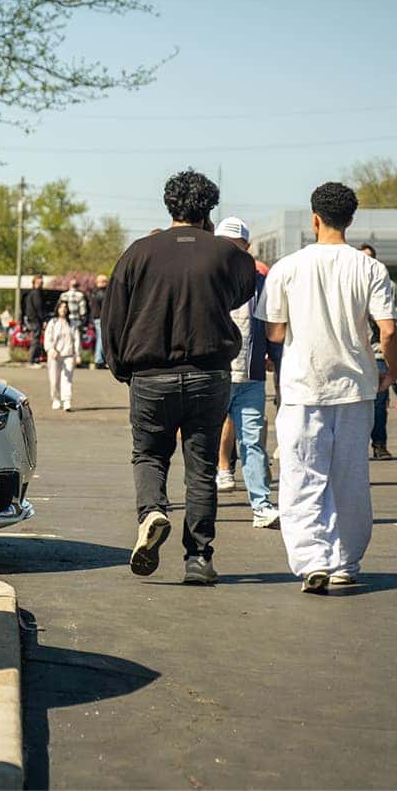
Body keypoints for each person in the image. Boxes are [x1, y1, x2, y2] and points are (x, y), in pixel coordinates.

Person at [103, 169, 256, 584]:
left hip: (150, 375)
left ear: (168, 205)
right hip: (209, 374)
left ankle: (152, 511)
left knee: (150, 454)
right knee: (202, 467)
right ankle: (199, 559)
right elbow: (244, 288)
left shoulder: (138, 252)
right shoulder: (227, 255)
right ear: (209, 211)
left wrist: (120, 367)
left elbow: (112, 314)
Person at [259, 182, 397, 594]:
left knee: (302, 475)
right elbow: (388, 331)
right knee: (350, 477)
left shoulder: (287, 267)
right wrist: (388, 372)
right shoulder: (370, 268)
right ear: (351, 220)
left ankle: (312, 560)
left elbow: (275, 328)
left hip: (303, 386)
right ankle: (345, 561)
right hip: (356, 387)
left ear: (314, 219)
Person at [213, 217, 280, 529]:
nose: (227, 251)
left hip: (251, 376)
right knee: (202, 443)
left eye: (234, 246)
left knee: (252, 443)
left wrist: (278, 362)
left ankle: (261, 505)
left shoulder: (260, 282)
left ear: (246, 248)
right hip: (214, 374)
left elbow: (271, 324)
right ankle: (203, 502)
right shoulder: (206, 277)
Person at [358, 244, 397, 459]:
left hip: (378, 353)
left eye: (371, 258)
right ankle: (355, 447)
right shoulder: (351, 282)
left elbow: (395, 324)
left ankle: (379, 444)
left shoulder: (388, 285)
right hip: (355, 352)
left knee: (378, 404)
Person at [44, 299, 81, 412]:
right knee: (54, 379)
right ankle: (55, 399)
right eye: (61, 307)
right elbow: (47, 338)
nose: (63, 309)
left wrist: (77, 355)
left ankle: (66, 401)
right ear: (57, 309)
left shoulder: (72, 324)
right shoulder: (53, 323)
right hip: (55, 355)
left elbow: (77, 340)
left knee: (67, 379)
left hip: (68, 355)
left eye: (65, 307)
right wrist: (50, 349)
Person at [24, 275, 48, 368]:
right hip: (35, 320)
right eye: (38, 283)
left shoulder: (31, 293)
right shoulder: (36, 294)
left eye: (41, 283)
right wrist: (44, 320)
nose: (40, 284)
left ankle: (35, 359)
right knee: (36, 340)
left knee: (36, 340)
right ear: (34, 283)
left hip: (32, 319)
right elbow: (39, 308)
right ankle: (31, 360)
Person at [92, 274, 109, 369]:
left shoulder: (94, 292)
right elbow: (105, 307)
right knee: (101, 339)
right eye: (106, 281)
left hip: (97, 318)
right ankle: (99, 360)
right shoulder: (102, 293)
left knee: (100, 338)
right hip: (101, 318)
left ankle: (99, 359)